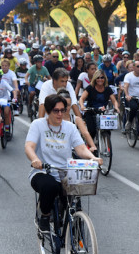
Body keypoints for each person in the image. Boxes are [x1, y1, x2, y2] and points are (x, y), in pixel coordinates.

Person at [25, 94, 103, 233]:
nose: (60, 114)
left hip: (66, 172)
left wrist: (93, 158)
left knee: (75, 199)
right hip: (43, 171)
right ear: (48, 111)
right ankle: (45, 216)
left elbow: (80, 148)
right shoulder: (38, 125)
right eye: (56, 110)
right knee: (51, 186)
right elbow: (29, 147)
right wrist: (35, 160)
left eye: (63, 110)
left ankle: (74, 236)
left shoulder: (70, 127)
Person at [38, 68, 96, 152]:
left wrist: (81, 121)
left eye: (66, 81)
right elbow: (42, 105)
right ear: (54, 80)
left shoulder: (68, 86)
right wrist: (40, 123)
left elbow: (74, 104)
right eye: (62, 81)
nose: (65, 84)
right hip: (50, 117)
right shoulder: (46, 86)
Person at [78, 68, 120, 140]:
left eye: (102, 77)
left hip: (102, 112)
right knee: (92, 131)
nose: (100, 79)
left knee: (107, 131)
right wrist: (82, 106)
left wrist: (116, 107)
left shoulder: (107, 89)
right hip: (91, 111)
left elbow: (114, 101)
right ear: (95, 79)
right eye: (98, 78)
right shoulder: (90, 88)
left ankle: (108, 148)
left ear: (104, 79)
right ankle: (90, 147)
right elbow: (81, 99)